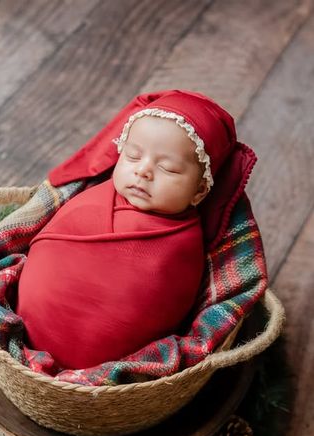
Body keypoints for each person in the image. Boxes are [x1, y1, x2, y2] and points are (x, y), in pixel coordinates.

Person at [15, 98, 225, 370]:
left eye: (167, 168)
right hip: (29, 326)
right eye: (133, 156)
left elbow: (164, 303)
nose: (143, 171)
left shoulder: (183, 245)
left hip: (107, 365)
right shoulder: (94, 195)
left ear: (199, 191)